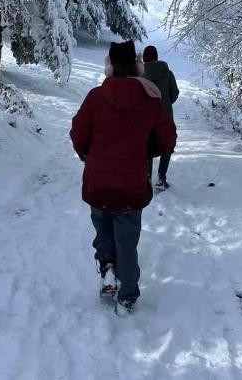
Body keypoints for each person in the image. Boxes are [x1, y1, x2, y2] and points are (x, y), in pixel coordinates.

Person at [70, 40, 176, 315]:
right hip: (131, 186)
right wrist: (144, 152)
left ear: (110, 68)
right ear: (137, 67)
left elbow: (78, 134)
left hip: (98, 183)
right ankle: (127, 295)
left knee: (103, 231)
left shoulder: (95, 97)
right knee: (126, 243)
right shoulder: (150, 99)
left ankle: (107, 269)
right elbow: (168, 138)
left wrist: (88, 156)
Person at [143, 45, 179, 190]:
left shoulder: (140, 74)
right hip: (164, 115)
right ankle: (161, 178)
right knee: (167, 144)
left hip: (145, 117)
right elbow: (174, 93)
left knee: (147, 145)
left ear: (145, 58)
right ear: (156, 57)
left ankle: (147, 178)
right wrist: (166, 102)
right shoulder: (167, 73)